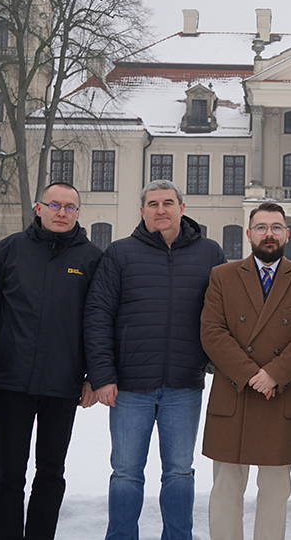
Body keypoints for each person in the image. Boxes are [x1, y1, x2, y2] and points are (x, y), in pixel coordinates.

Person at [84, 180, 226, 540]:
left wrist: (214, 363)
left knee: (180, 471)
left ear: (182, 206)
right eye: (152, 204)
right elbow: (98, 315)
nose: (160, 209)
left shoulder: (210, 253)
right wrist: (102, 375)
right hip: (130, 387)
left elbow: (224, 313)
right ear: (142, 210)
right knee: (126, 472)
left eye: (167, 202)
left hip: (184, 383)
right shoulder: (120, 253)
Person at [0, 181, 104, 540]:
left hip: (62, 384)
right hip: (12, 381)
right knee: (9, 472)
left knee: (51, 472)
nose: (61, 212)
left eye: (70, 207)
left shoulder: (91, 258)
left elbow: (96, 323)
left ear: (79, 213)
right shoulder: (11, 250)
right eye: (54, 205)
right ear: (39, 208)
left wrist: (92, 375)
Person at [201, 202, 291, 540]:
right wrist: (250, 374)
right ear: (249, 234)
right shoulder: (222, 276)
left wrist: (274, 374)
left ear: (287, 233)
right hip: (234, 392)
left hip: (281, 395)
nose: (268, 234)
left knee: (275, 492)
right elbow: (212, 331)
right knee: (226, 488)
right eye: (261, 227)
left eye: (275, 227)